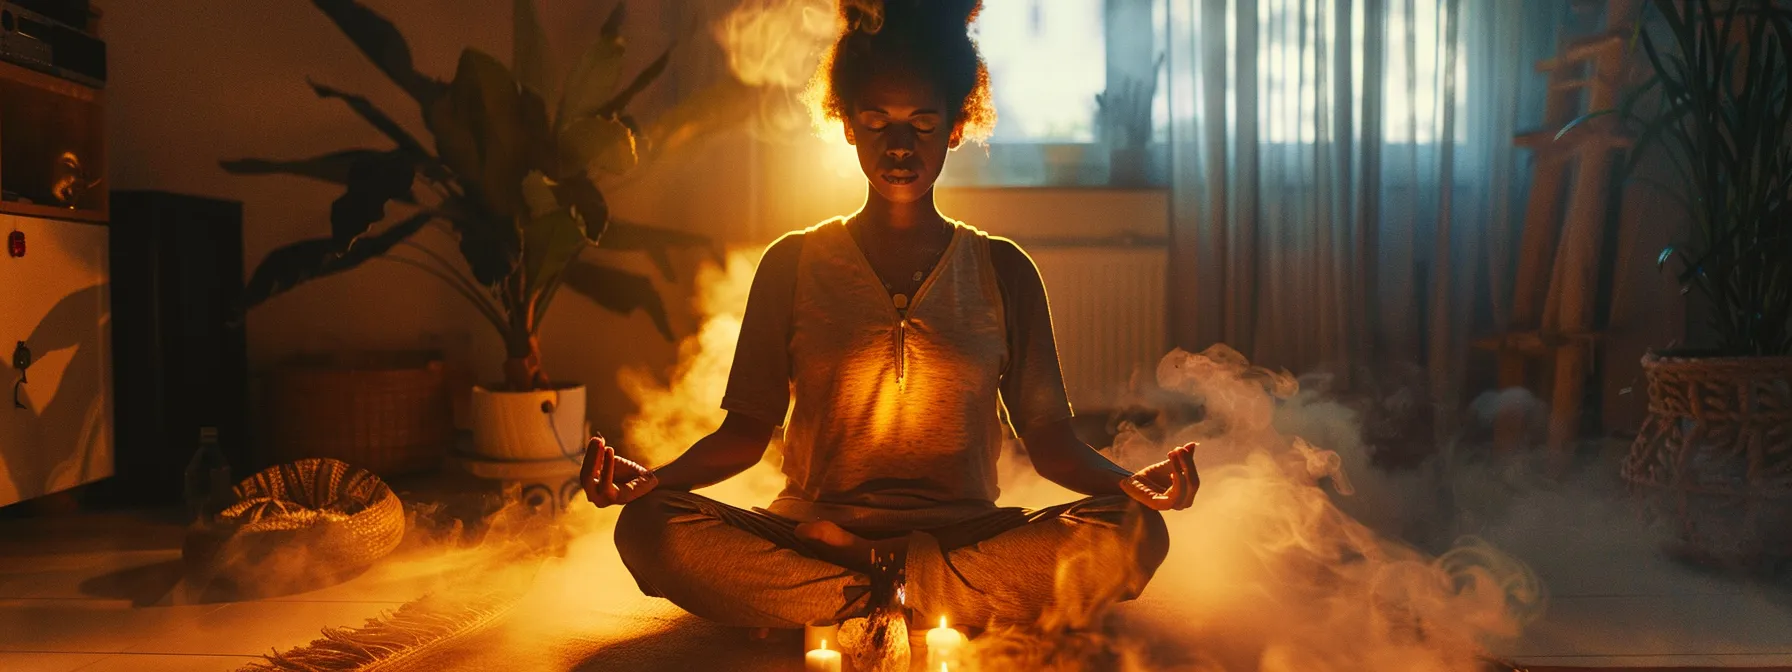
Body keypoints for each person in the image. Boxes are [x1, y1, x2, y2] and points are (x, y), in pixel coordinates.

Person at [580, 0, 1197, 633]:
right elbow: (744, 435)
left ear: (958, 125)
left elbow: (1053, 446)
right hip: (813, 530)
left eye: (923, 125)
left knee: (1134, 534)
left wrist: (1132, 486)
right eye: (877, 122)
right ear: (845, 124)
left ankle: (861, 587)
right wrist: (652, 481)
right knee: (653, 531)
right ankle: (916, 593)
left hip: (964, 534)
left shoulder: (1004, 271)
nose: (900, 146)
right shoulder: (791, 264)